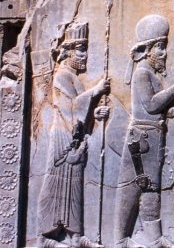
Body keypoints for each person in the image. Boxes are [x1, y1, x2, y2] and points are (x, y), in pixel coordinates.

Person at [114, 15, 174, 248]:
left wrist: (172, 112)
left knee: (151, 188)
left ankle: (154, 237)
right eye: (160, 47)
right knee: (133, 187)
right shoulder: (142, 73)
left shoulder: (150, 74)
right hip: (141, 140)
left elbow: (152, 110)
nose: (164, 53)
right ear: (147, 51)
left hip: (152, 137)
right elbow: (151, 105)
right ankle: (120, 240)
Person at [38, 22, 110, 248]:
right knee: (56, 184)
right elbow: (69, 108)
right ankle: (47, 237)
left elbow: (79, 111)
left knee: (75, 186)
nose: (85, 55)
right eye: (80, 49)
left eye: (85, 49)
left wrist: (95, 114)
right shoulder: (62, 75)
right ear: (67, 51)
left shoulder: (74, 77)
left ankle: (76, 235)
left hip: (74, 137)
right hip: (63, 138)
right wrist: (96, 91)